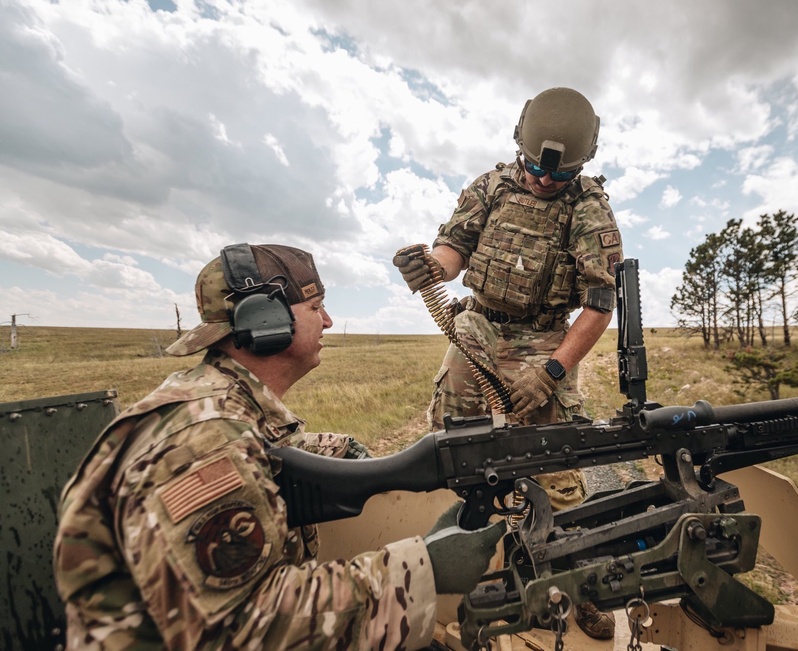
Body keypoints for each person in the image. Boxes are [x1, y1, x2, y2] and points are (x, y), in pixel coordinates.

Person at [53, 243, 503, 650]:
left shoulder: (222, 404)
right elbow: (239, 628)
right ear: (264, 320)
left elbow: (264, 452)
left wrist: (342, 449)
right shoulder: (203, 440)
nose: (327, 320)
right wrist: (424, 568)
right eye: (316, 306)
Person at [393, 87, 622, 640]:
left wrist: (552, 373)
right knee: (460, 448)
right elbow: (454, 248)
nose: (544, 181)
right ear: (519, 143)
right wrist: (430, 266)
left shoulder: (588, 207)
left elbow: (599, 304)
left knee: (558, 463)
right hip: (480, 326)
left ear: (581, 164)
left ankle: (570, 586)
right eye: (535, 170)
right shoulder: (490, 186)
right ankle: (468, 562)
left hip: (546, 339)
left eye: (558, 176)